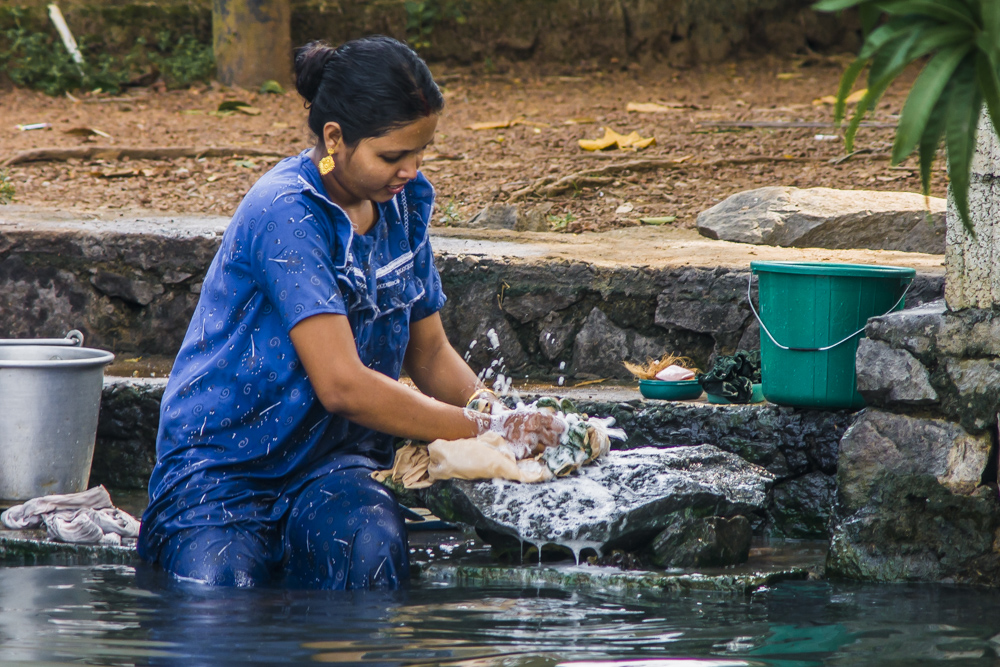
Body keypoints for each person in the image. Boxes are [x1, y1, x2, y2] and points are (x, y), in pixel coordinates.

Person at [138, 36, 565, 590]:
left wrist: (497, 411)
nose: (410, 169)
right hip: (223, 472)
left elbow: (430, 352)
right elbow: (341, 385)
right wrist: (486, 429)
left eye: (421, 152)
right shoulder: (287, 212)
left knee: (370, 559)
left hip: (334, 468)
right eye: (392, 156)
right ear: (335, 138)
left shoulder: (401, 204)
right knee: (222, 591)